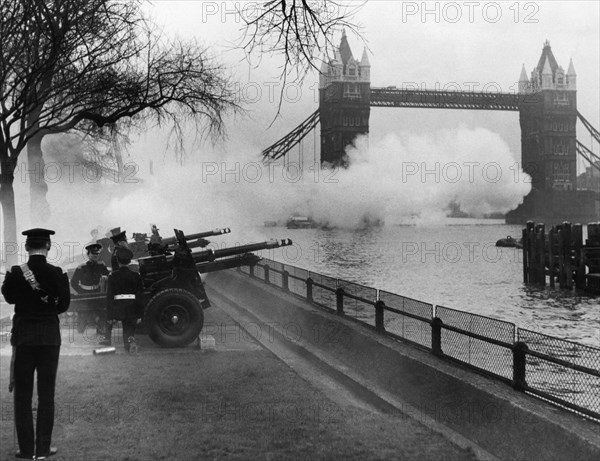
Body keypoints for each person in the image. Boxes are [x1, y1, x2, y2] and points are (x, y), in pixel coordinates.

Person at [2, 228, 70, 459]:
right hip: (50, 339)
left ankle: (26, 449)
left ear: (27, 248)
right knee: (46, 395)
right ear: (48, 246)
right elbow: (63, 306)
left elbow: (9, 297)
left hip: (24, 339)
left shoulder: (16, 272)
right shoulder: (57, 272)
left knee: (22, 396)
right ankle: (42, 450)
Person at [100, 247, 144, 352]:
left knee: (118, 324)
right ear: (129, 261)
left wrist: (110, 316)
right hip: (132, 308)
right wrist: (139, 314)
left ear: (118, 261)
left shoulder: (113, 276)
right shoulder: (136, 276)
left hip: (118, 308)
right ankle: (129, 343)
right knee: (129, 330)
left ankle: (109, 339)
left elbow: (110, 297)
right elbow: (140, 297)